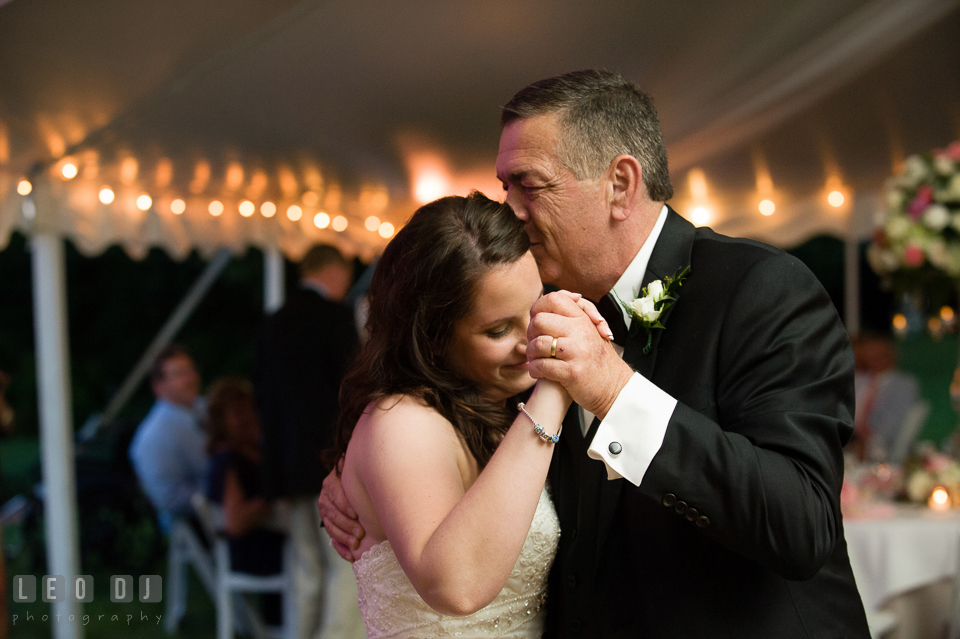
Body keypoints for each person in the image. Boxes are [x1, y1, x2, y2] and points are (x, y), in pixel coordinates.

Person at [323, 70, 869, 637]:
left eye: (528, 185)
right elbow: (449, 440)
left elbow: (802, 524)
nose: (508, 210)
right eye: (503, 186)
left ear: (620, 184)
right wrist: (357, 482)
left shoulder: (760, 289)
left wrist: (614, 390)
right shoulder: (537, 319)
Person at [332, 192, 610, 639]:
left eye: (536, 306)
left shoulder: (497, 404)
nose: (532, 339)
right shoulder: (400, 422)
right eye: (499, 330)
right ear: (432, 338)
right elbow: (456, 587)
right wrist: (553, 394)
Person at [253, 243, 364, 639]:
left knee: (302, 564)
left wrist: (272, 473)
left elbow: (263, 402)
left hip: (288, 467)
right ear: (335, 271)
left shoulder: (273, 321)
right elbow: (354, 391)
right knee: (343, 564)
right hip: (332, 460)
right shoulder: (335, 318)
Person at [205, 377, 285, 626]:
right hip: (255, 552)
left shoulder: (253, 450)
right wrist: (274, 499)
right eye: (239, 413)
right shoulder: (227, 460)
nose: (248, 417)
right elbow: (236, 522)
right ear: (221, 421)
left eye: (251, 409)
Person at [129, 344, 208, 534]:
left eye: (190, 370)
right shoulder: (153, 436)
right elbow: (171, 500)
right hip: (197, 524)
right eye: (180, 374)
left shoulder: (205, 408)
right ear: (159, 386)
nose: (190, 378)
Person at [850, 332, 922, 463]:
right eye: (869, 354)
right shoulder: (859, 380)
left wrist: (867, 439)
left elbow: (894, 423)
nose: (873, 358)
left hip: (882, 451)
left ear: (890, 356)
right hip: (850, 443)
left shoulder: (904, 384)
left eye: (878, 355)